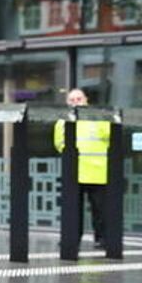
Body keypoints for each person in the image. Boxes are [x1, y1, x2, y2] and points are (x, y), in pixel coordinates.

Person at [53, 88, 111, 249]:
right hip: (75, 171)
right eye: (72, 100)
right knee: (73, 210)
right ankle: (72, 238)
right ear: (67, 103)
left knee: (101, 209)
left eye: (79, 99)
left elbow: (110, 137)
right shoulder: (62, 121)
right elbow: (58, 143)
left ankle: (102, 239)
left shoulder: (98, 117)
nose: (75, 102)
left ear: (86, 100)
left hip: (97, 171)